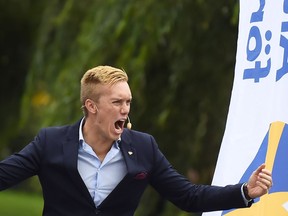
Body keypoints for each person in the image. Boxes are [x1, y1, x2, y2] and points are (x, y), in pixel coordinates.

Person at [0, 65, 272, 216]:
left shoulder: (144, 147)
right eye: (117, 102)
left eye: (128, 101)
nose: (126, 109)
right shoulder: (50, 142)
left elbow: (189, 196)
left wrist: (244, 192)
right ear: (91, 106)